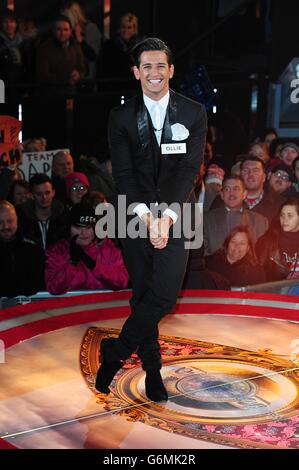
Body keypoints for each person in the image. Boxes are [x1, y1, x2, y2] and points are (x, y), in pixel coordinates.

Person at [95, 37, 207, 401]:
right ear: (136, 72)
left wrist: (168, 219)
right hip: (134, 213)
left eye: (161, 65)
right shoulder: (120, 117)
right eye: (147, 66)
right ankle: (153, 370)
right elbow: (124, 175)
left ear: (171, 70)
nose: (154, 73)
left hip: (179, 212)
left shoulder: (193, 113)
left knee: (163, 296)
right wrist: (147, 218)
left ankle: (115, 353)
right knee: (143, 295)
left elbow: (189, 169)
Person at [45, 202, 129, 295]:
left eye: (88, 227)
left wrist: (93, 264)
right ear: (68, 227)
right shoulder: (57, 251)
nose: (84, 233)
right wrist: (72, 264)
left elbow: (122, 282)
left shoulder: (109, 250)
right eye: (78, 227)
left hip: (102, 307)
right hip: (70, 308)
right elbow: (53, 287)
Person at [0, 201, 44, 298]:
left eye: (9, 221)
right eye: (0, 222)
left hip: (27, 306)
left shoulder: (32, 247)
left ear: (17, 220)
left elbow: (39, 283)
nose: (5, 226)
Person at [256, 198, 299, 281]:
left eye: (290, 215)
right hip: (273, 290)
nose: (284, 220)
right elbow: (258, 274)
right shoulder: (267, 241)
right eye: (282, 215)